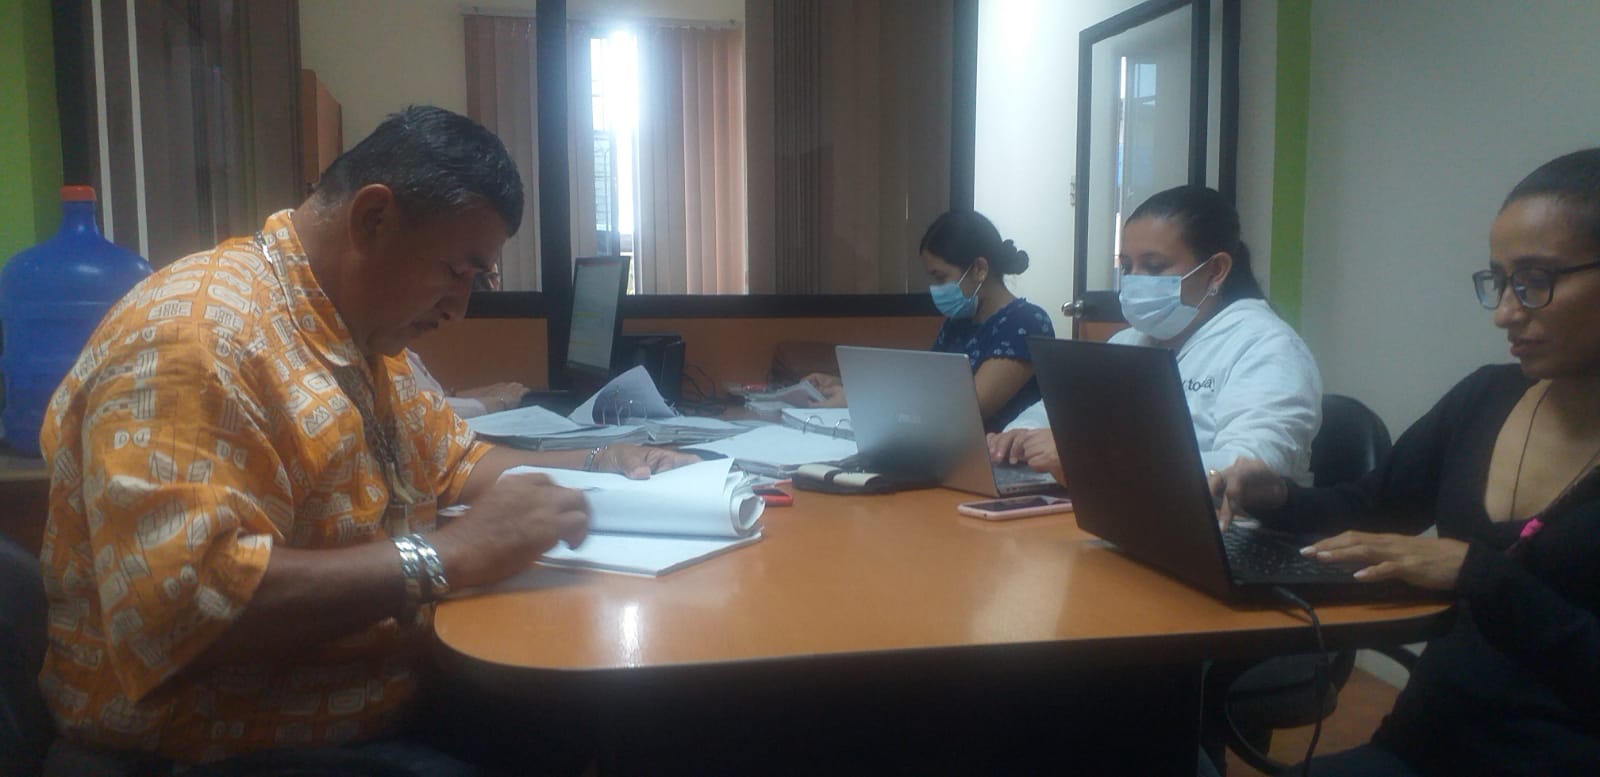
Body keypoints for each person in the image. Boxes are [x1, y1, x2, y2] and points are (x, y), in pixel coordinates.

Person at [35, 106, 694, 771]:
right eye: (457, 272)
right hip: (217, 744)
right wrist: (449, 555)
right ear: (373, 219)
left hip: (379, 693)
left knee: (623, 718)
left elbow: (454, 461)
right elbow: (185, 608)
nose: (460, 308)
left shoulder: (358, 335)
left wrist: (600, 461)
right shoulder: (194, 338)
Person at [1212, 148, 1600, 776]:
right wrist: (1279, 498)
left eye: (1536, 280)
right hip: (1420, 747)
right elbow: (1372, 509)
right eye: (1499, 281)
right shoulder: (1485, 398)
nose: (1506, 312)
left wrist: (1479, 575)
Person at [989, 185, 1322, 485]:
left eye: (1155, 267)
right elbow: (1056, 409)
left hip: (1226, 527)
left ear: (1216, 270)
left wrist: (1087, 457)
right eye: (1127, 267)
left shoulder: (1267, 347)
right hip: (1121, 512)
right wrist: (1019, 437)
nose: (1134, 280)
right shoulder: (1128, 341)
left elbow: (1251, 471)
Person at [806, 210, 1055, 430]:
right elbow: (924, 388)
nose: (936, 288)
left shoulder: (1026, 322)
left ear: (980, 269)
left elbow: (967, 409)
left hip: (999, 456)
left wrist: (859, 399)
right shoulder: (959, 322)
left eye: (941, 277)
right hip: (945, 448)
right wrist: (844, 385)